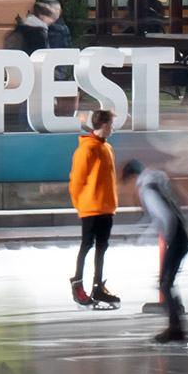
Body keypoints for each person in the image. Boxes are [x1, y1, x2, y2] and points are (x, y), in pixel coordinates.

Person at [123, 158, 188, 343]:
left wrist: (166, 236)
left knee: (165, 284)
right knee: (166, 283)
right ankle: (177, 328)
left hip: (177, 239)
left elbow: (166, 217)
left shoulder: (147, 189)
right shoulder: (157, 183)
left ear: (132, 178)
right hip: (181, 237)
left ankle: (177, 329)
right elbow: (161, 214)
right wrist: (140, 233)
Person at [69, 109, 120, 308]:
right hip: (91, 208)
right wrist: (80, 205)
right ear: (105, 125)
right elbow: (77, 181)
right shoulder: (87, 149)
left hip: (106, 207)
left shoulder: (107, 148)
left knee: (101, 247)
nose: (113, 128)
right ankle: (77, 283)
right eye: (111, 124)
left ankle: (97, 286)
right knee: (87, 245)